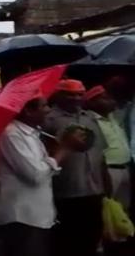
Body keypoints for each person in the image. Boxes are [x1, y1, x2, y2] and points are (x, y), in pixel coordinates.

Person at [0, 96, 71, 256]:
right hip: (22, 216)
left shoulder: (33, 134)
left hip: (39, 215)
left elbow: (44, 171)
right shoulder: (11, 134)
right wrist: (63, 151)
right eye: (44, 106)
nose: (49, 110)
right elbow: (34, 175)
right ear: (28, 111)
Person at [45, 79, 109, 256]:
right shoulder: (49, 120)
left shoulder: (90, 118)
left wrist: (106, 185)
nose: (76, 98)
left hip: (94, 189)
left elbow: (100, 154)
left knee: (92, 235)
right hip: (65, 191)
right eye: (70, 94)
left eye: (80, 94)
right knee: (68, 240)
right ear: (59, 96)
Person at [85, 85, 131, 210]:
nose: (111, 101)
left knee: (123, 211)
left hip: (124, 168)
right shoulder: (89, 120)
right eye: (105, 98)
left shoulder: (113, 117)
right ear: (92, 102)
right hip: (108, 170)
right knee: (109, 209)